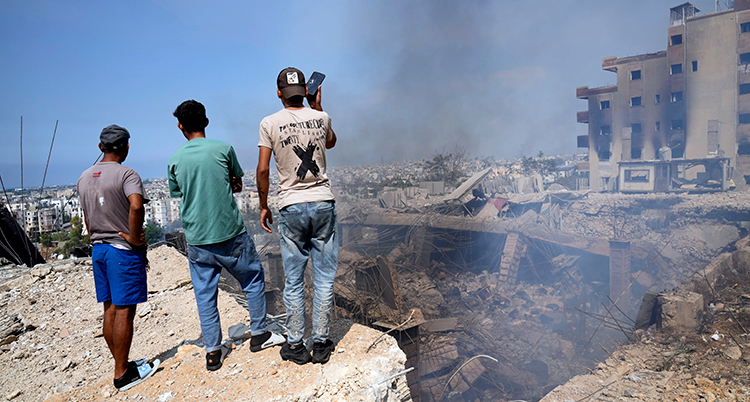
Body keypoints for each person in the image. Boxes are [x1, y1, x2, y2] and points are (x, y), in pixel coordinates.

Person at [168, 100, 285, 371]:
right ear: (206, 122)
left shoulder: (175, 159)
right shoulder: (223, 149)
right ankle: (259, 334)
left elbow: (180, 194)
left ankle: (212, 351)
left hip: (197, 238)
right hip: (230, 233)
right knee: (253, 278)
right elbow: (237, 181)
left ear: (180, 126)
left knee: (205, 295)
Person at [257, 67, 339, 365]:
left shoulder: (269, 123)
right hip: (322, 202)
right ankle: (320, 342)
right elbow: (330, 142)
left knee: (293, 279)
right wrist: (318, 109)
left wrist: (264, 204)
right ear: (306, 91)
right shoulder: (323, 117)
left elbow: (263, 169)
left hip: (291, 205)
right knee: (324, 277)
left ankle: (295, 344)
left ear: (279, 92)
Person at [77, 124, 160, 391]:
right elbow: (136, 205)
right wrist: (134, 238)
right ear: (125, 147)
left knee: (109, 309)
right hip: (122, 250)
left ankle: (121, 364)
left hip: (98, 249)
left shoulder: (84, 177)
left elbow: (88, 218)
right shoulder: (127, 174)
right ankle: (122, 374)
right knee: (125, 311)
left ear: (100, 147)